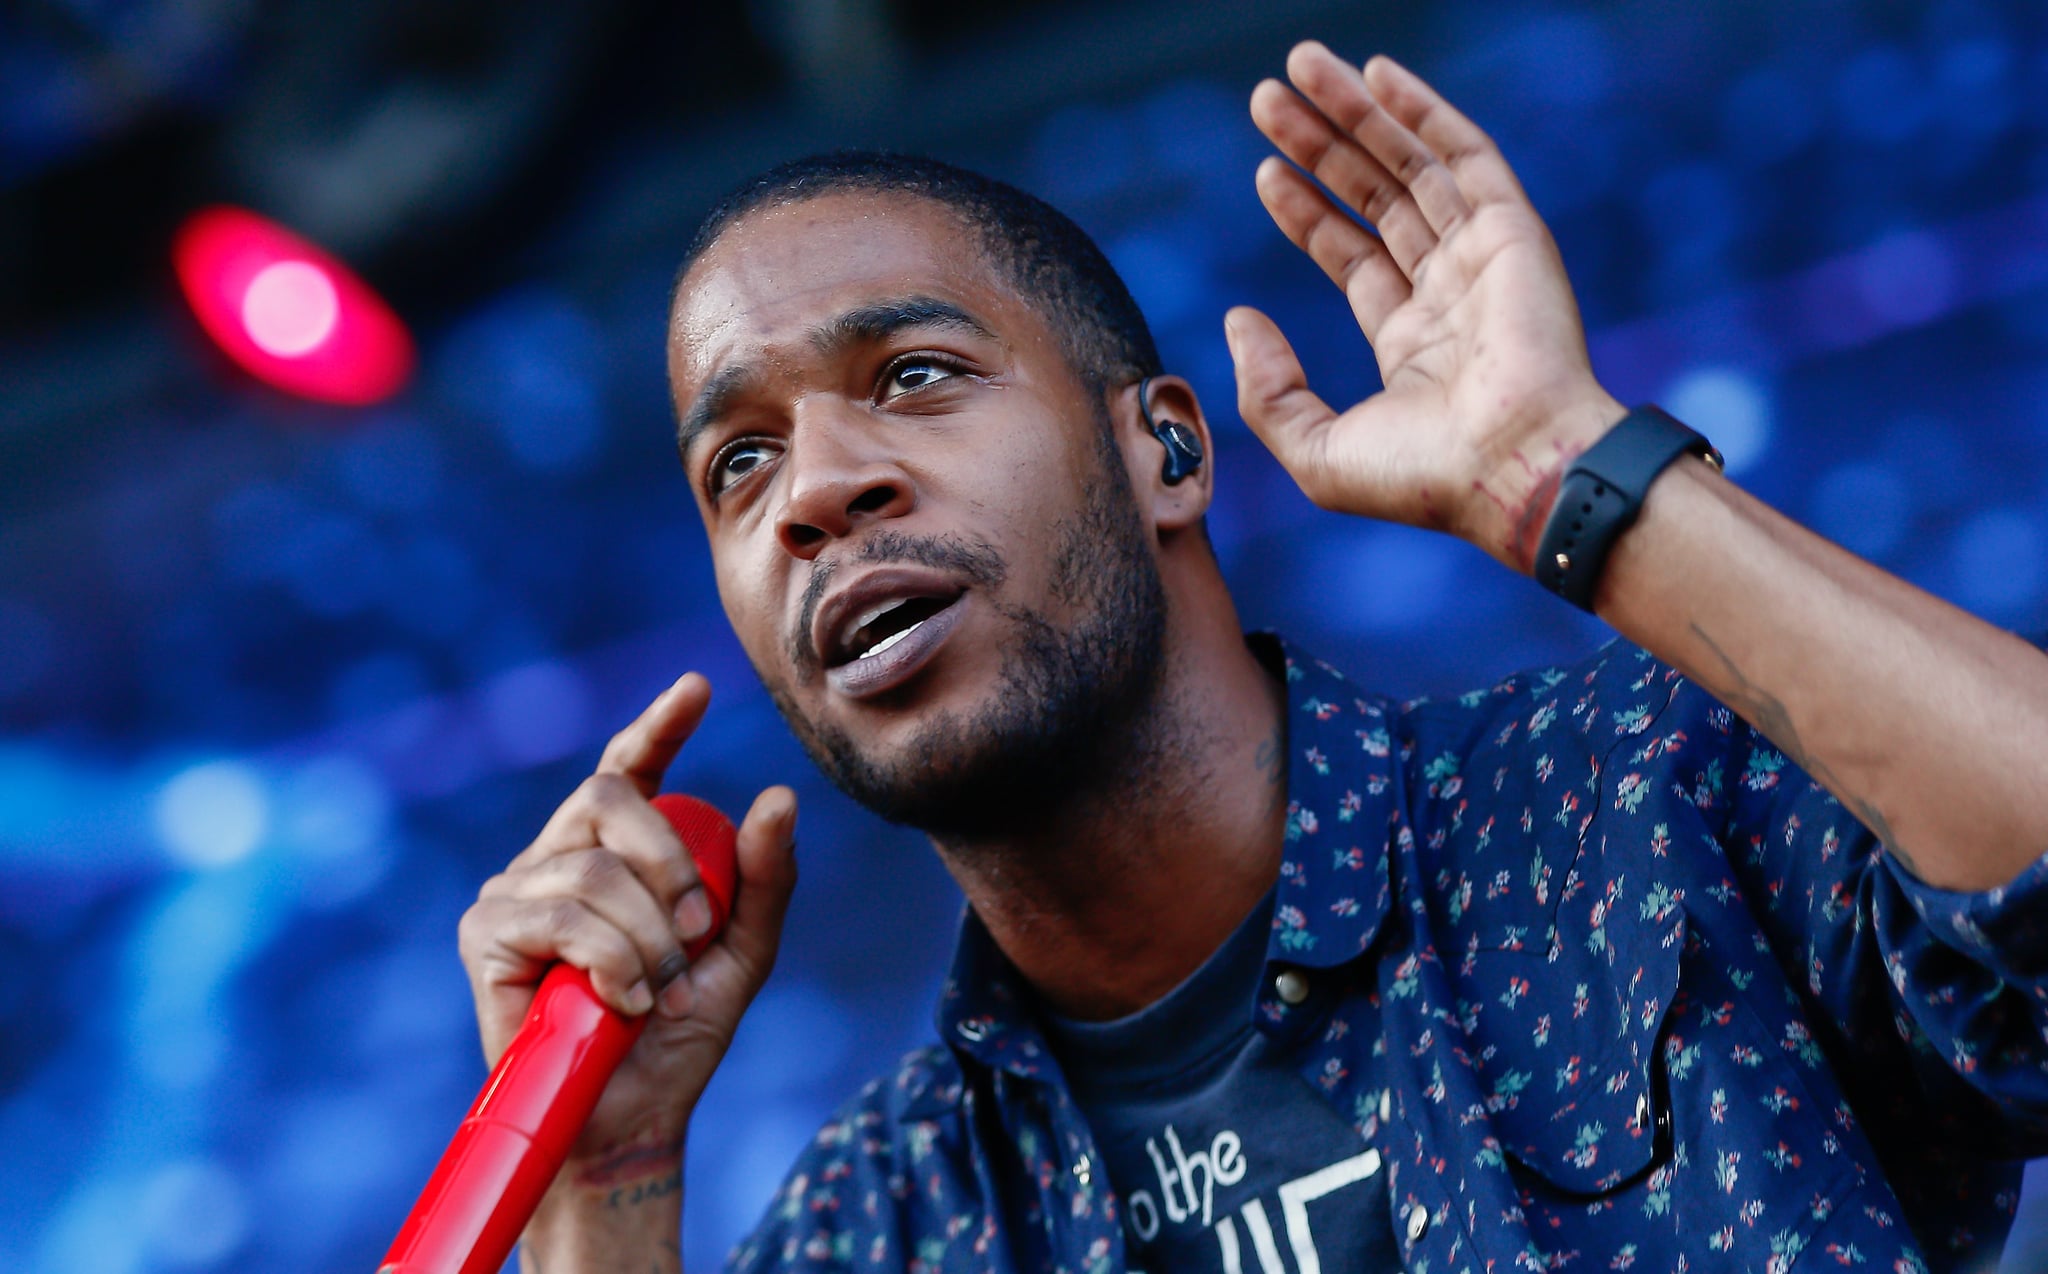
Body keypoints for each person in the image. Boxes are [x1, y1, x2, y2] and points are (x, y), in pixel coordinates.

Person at [456, 41, 2048, 1273]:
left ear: (1166, 452)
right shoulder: (882, 1221)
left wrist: (1577, 477)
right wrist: (597, 1181)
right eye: (737, 465)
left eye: (919, 373)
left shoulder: (1645, 805)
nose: (814, 490)